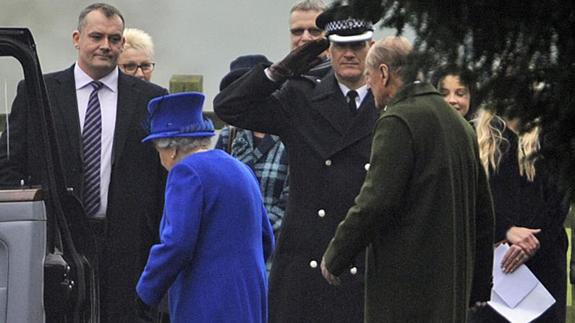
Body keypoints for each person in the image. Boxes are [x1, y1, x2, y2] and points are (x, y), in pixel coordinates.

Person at [0, 3, 167, 322]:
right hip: (59, 242)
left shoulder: (150, 99)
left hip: (129, 245)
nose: (106, 45)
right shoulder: (39, 91)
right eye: (97, 36)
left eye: (114, 39)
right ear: (77, 38)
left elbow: (164, 174)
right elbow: (8, 164)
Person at [214, 5, 378, 322]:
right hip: (307, 259)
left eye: (357, 45)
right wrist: (281, 70)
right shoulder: (302, 94)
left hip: (366, 258)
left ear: (371, 47)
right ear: (328, 48)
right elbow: (229, 108)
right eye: (341, 45)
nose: (349, 54)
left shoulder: (389, 100)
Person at [321, 36, 495, 322]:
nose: (368, 85)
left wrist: (337, 255)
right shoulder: (461, 126)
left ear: (384, 73)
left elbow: (375, 202)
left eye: (369, 76)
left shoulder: (399, 121)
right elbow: (483, 215)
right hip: (450, 293)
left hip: (406, 292)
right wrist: (478, 288)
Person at [135, 92, 274, 323]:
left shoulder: (186, 172)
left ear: (170, 149)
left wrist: (146, 292)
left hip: (207, 301)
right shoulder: (239, 167)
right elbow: (266, 238)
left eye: (157, 149)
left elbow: (177, 244)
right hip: (249, 298)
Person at [475, 108, 569, 322]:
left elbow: (560, 196)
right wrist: (505, 229)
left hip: (543, 264)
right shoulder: (480, 138)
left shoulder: (552, 135)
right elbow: (472, 199)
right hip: (494, 267)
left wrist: (532, 239)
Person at [215, 54, 289, 239]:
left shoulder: (288, 134)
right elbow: (216, 187)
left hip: (276, 245)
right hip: (232, 244)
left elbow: (292, 199)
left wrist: (256, 233)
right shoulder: (229, 135)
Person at [288, 0, 330, 76]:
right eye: (297, 31)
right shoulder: (277, 79)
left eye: (314, 31)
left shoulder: (342, 80)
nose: (305, 38)